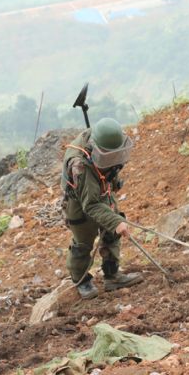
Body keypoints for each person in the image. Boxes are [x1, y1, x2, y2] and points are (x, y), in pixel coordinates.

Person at [61, 117, 144, 299]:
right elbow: (89, 204)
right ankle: (81, 280)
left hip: (102, 190)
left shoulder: (101, 136)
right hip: (80, 202)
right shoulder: (80, 167)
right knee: (83, 243)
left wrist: (114, 221)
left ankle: (112, 275)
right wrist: (116, 221)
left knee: (112, 234)